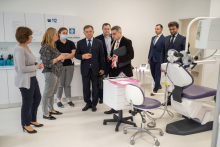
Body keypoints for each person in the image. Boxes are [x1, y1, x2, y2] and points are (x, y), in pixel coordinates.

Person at [14, 27, 44, 134]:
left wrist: (36, 64)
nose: (32, 37)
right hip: (25, 80)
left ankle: (32, 119)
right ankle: (26, 124)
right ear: (25, 36)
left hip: (32, 78)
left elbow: (28, 63)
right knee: (27, 103)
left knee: (37, 98)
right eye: (30, 35)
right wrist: (36, 67)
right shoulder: (19, 50)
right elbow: (22, 68)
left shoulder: (25, 47)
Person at [104, 26, 134, 114]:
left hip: (123, 71)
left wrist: (119, 59)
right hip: (114, 70)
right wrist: (110, 57)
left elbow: (131, 56)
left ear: (120, 33)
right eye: (112, 34)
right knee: (114, 90)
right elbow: (114, 54)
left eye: (114, 34)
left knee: (125, 91)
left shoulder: (127, 41)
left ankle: (129, 107)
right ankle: (115, 108)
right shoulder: (113, 42)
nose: (112, 35)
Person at [75, 25, 105, 112]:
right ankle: (88, 103)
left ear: (93, 32)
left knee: (96, 88)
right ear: (84, 33)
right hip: (85, 69)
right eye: (87, 32)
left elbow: (102, 56)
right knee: (86, 88)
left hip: (96, 69)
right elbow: (76, 55)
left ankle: (94, 104)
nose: (89, 33)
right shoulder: (80, 43)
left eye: (90, 31)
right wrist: (83, 56)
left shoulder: (99, 42)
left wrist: (102, 68)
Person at [40, 27, 65, 120]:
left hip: (57, 72)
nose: (57, 36)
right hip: (50, 72)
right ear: (51, 36)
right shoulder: (45, 47)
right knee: (47, 93)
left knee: (52, 93)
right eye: (55, 34)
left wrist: (61, 57)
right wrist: (58, 58)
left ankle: (51, 109)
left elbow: (56, 57)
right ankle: (45, 113)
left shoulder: (53, 46)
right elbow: (47, 63)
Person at [160, 21, 186, 105]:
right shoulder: (166, 39)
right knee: (168, 82)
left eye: (173, 29)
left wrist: (184, 65)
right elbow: (163, 52)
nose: (172, 31)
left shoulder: (182, 39)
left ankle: (177, 100)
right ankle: (168, 100)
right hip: (167, 65)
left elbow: (185, 53)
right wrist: (162, 64)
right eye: (170, 29)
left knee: (177, 83)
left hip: (178, 66)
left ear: (178, 28)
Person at [55, 27, 76, 108]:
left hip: (69, 65)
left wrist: (62, 55)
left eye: (66, 33)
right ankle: (58, 100)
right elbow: (56, 54)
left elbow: (73, 54)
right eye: (63, 33)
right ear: (59, 34)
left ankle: (68, 99)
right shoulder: (56, 43)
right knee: (60, 84)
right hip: (59, 66)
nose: (65, 34)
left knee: (67, 84)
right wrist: (67, 54)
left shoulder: (71, 43)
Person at [95, 23, 113, 104]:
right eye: (105, 29)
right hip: (103, 63)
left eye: (108, 29)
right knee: (102, 80)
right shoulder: (97, 39)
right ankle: (101, 97)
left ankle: (111, 95)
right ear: (102, 29)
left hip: (113, 62)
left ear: (110, 29)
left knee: (113, 79)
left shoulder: (114, 37)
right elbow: (96, 53)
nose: (106, 30)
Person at [148, 24, 164, 96]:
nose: (156, 30)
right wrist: (149, 57)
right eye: (155, 29)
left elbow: (164, 51)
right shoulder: (153, 38)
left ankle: (155, 89)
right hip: (152, 58)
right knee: (153, 73)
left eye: (157, 29)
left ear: (161, 30)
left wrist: (162, 61)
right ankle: (159, 85)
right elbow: (151, 48)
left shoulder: (164, 39)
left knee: (158, 74)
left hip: (159, 59)